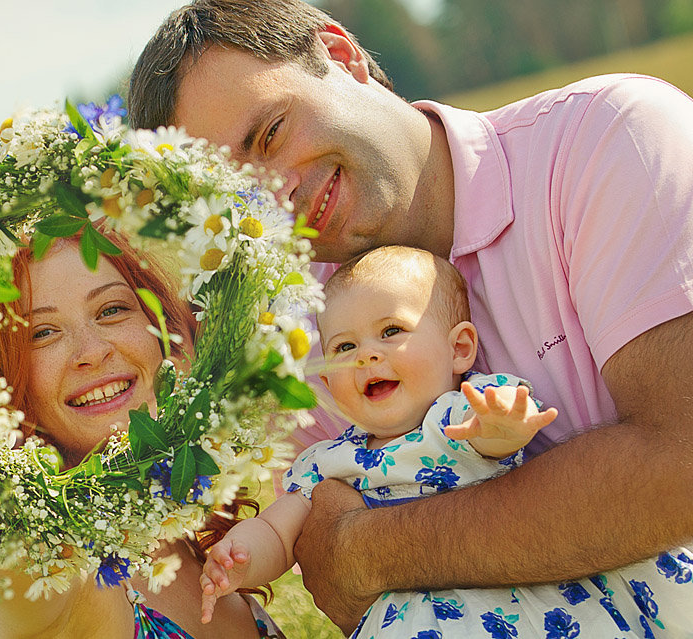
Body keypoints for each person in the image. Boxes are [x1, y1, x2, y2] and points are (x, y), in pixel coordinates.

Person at [129, 0, 693, 632]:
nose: (275, 193)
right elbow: (333, 580)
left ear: (340, 56)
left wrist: (364, 548)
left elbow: (682, 465)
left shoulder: (609, 141)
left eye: (271, 133)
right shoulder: (309, 339)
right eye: (237, 193)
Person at [199, 245, 693, 637]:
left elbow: (495, 444)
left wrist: (501, 427)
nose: (367, 356)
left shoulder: (460, 414)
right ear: (328, 384)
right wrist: (238, 558)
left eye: (391, 331)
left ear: (459, 349)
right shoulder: (324, 464)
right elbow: (278, 533)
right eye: (344, 347)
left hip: (531, 608)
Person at [0, 233, 286, 639]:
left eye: (111, 309)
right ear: (1, 384)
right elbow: (14, 550)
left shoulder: (190, 538)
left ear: (164, 334)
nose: (92, 351)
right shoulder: (57, 572)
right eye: (41, 333)